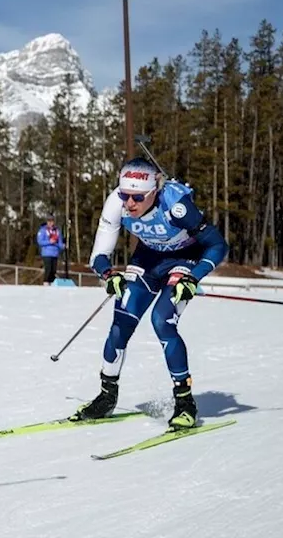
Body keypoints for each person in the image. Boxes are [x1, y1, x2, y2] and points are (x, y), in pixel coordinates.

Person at [71, 157, 229, 431]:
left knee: (162, 320)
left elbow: (217, 245)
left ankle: (184, 403)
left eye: (137, 197)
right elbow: (99, 254)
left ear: (154, 191)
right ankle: (107, 397)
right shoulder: (115, 205)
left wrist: (194, 277)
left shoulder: (176, 207)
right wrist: (108, 275)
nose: (129, 203)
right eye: (125, 195)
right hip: (148, 259)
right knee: (122, 321)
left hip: (185, 259)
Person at [36, 213, 65, 285]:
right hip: (46, 253)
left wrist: (62, 246)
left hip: (55, 253)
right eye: (49, 221)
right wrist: (49, 242)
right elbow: (40, 241)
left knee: (53, 271)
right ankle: (46, 283)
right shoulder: (42, 230)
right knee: (48, 269)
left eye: (52, 221)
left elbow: (59, 242)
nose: (51, 223)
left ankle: (52, 284)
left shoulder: (57, 231)